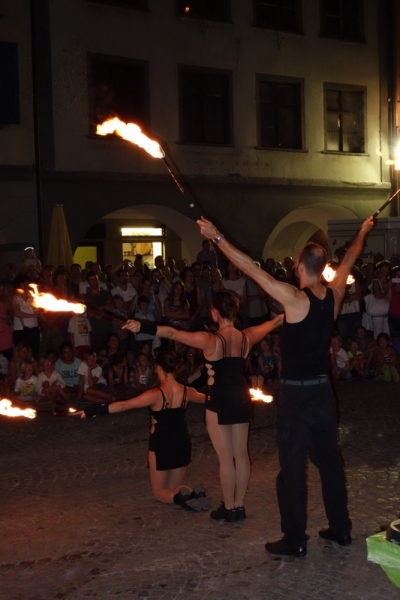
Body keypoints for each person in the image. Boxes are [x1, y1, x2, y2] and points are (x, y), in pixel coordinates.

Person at [196, 214, 374, 556]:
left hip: (296, 394)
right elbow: (351, 256)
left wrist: (218, 237)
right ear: (322, 267)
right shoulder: (335, 293)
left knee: (291, 469)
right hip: (323, 392)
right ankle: (341, 529)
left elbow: (252, 269)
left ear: (298, 266)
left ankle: (294, 540)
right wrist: (363, 231)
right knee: (330, 462)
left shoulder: (296, 299)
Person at [123, 290, 283, 522]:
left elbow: (172, 333)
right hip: (240, 396)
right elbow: (276, 320)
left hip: (218, 399)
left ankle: (229, 508)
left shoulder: (210, 340)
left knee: (227, 458)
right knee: (242, 454)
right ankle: (238, 505)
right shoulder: (248, 337)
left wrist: (142, 327)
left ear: (216, 313)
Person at [76, 350, 209, 510]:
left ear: (158, 368)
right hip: (181, 441)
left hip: (161, 442)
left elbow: (125, 404)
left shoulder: (155, 394)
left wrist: (91, 411)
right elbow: (209, 399)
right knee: (176, 486)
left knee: (159, 492)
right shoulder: (188, 391)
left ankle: (182, 499)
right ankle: (195, 494)